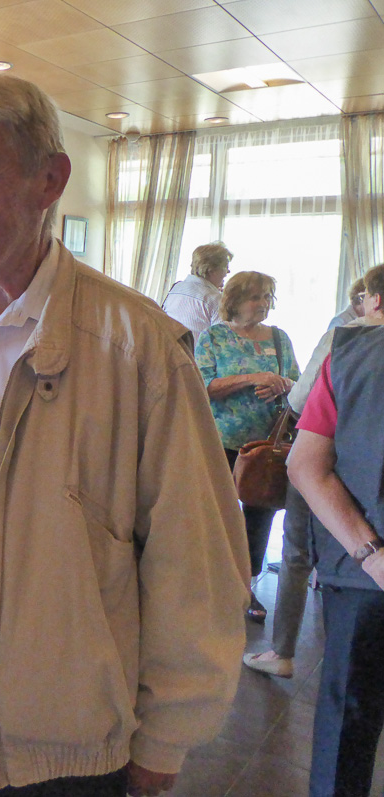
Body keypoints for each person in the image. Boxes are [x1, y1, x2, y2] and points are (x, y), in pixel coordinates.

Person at [0, 73, 249, 797]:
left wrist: (165, 734)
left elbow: (194, 560)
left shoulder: (139, 349)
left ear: (49, 180)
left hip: (61, 727)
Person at [242, 269, 379, 678]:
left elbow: (302, 398)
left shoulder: (347, 339)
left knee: (297, 552)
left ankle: (282, 651)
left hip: (324, 459)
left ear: (373, 298)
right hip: (371, 474)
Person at [288, 268, 384, 797]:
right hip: (362, 569)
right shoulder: (346, 354)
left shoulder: (346, 354)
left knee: (347, 720)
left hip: (360, 572)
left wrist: (369, 555)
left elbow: (306, 465)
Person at [196, 270, 300, 623]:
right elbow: (204, 385)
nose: (263, 303)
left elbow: (299, 384)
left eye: (268, 296)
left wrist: (281, 383)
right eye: (256, 297)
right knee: (218, 516)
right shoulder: (214, 337)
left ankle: (245, 587)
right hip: (220, 442)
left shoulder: (279, 338)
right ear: (235, 300)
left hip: (266, 445)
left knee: (259, 517)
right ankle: (212, 585)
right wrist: (252, 378)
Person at [161, 242, 232, 339]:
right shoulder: (215, 299)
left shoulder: (176, 288)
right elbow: (222, 341)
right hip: (195, 349)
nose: (228, 271)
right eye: (226, 267)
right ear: (211, 270)